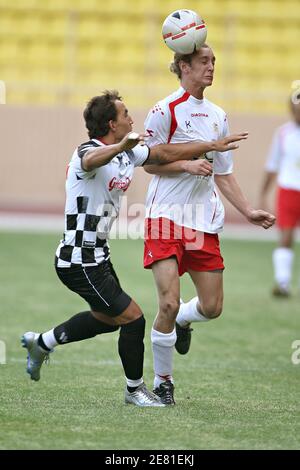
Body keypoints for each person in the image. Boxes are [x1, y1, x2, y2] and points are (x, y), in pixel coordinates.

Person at [21, 90, 246, 407]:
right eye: (126, 114)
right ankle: (134, 391)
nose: (132, 118)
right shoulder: (88, 151)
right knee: (133, 319)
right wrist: (120, 147)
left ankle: (42, 342)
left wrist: (206, 148)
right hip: (77, 260)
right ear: (112, 124)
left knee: (107, 318)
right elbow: (90, 160)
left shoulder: (130, 153)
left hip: (98, 257)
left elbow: (163, 154)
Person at [143, 44, 276, 405]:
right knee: (167, 303)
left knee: (212, 307)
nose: (211, 66)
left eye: (214, 61)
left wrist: (248, 211)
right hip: (165, 218)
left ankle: (186, 320)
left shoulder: (218, 114)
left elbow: (223, 174)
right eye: (204, 61)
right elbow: (149, 163)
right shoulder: (164, 110)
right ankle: (163, 381)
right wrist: (185, 165)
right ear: (183, 65)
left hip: (204, 222)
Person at [260, 96, 300, 297]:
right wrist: (263, 194)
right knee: (286, 236)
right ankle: (282, 282)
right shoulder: (283, 133)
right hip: (289, 189)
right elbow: (272, 165)